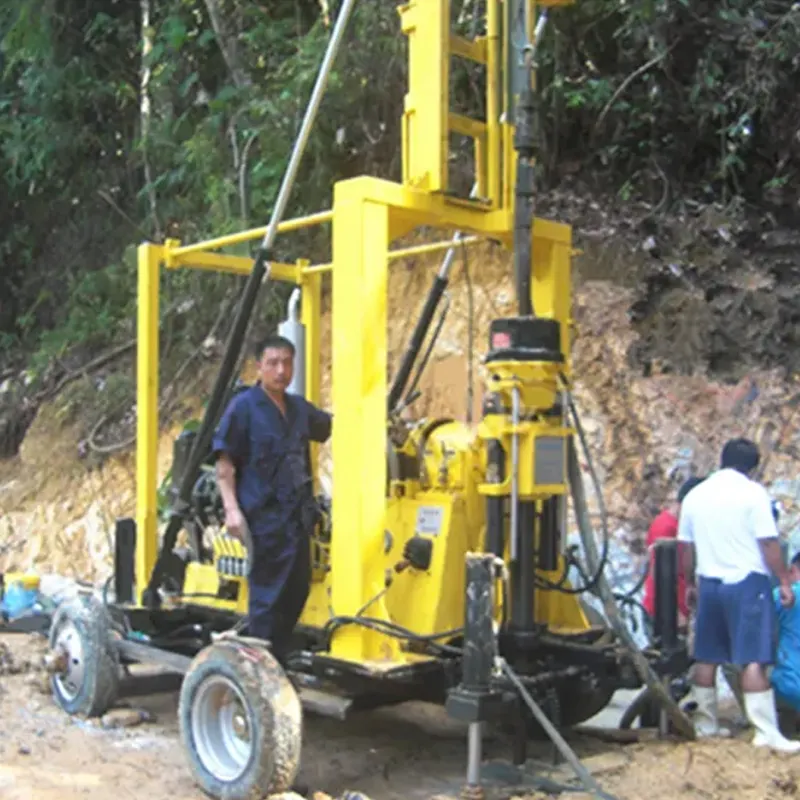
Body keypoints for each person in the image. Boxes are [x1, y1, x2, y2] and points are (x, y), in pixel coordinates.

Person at [213, 334, 332, 663]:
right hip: (264, 518)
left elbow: (331, 426)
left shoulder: (297, 409)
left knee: (297, 589)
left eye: (287, 363)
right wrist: (231, 510)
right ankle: (258, 667)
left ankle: (276, 658)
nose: (281, 370)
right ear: (259, 367)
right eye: (273, 363)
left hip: (297, 518)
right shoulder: (244, 408)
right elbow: (225, 463)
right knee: (267, 597)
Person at [678, 437, 800, 752]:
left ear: (722, 459)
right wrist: (784, 581)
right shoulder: (753, 494)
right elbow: (769, 543)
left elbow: (684, 547)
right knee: (754, 659)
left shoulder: (696, 495)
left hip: (710, 583)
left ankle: (706, 725)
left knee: (707, 656)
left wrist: (690, 583)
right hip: (747, 582)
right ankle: (765, 732)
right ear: (753, 467)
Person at [642, 476, 705, 629]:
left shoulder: (677, 525)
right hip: (665, 612)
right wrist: (676, 613)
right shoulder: (666, 528)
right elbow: (658, 574)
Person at [772, 553, 800, 716]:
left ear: (792, 570)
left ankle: (767, 721)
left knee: (734, 666)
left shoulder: (782, 595)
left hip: (790, 686)